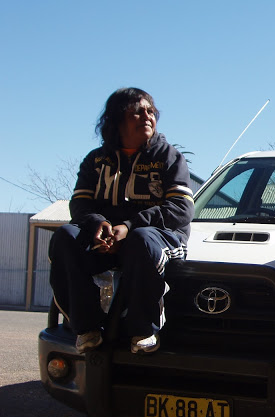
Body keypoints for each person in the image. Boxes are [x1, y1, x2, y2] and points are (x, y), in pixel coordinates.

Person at [49, 87, 194, 355]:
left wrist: (128, 227)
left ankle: (143, 329)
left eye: (151, 111)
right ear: (116, 120)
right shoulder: (95, 160)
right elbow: (80, 204)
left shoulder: (169, 157)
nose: (146, 117)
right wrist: (98, 225)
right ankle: (86, 328)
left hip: (158, 240)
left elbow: (181, 209)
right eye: (136, 112)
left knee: (141, 239)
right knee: (65, 237)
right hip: (106, 239)